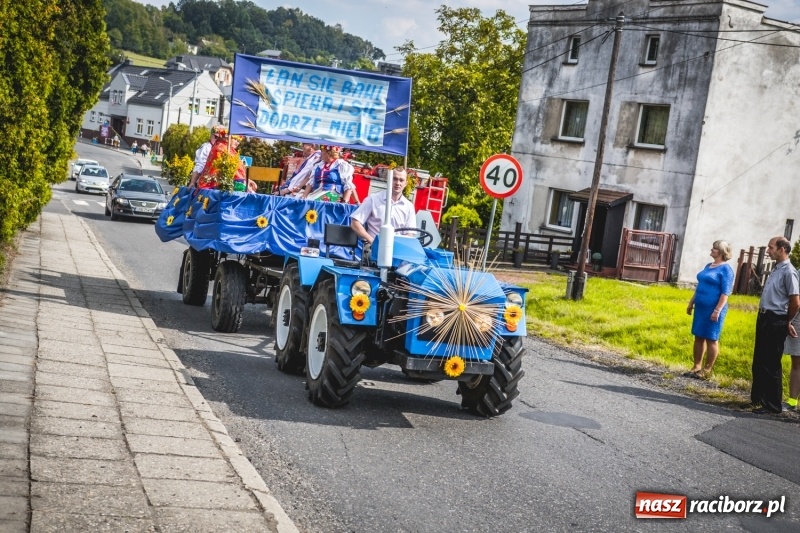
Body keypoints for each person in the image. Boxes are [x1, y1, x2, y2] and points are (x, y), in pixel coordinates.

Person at [751, 236, 800, 414]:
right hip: (764, 316)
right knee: (760, 360)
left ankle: (772, 405)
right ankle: (758, 398)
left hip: (776, 318)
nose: (768, 251)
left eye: (771, 247)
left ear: (782, 249)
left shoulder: (789, 272)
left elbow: (795, 302)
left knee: (771, 362)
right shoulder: (776, 268)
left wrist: (787, 321)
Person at [684, 240, 735, 380]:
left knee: (712, 338)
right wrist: (691, 302)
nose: (712, 249)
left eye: (715, 248)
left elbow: (725, 293)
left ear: (722, 252)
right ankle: (696, 366)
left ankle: (707, 370)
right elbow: (700, 286)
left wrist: (717, 310)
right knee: (698, 336)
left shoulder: (726, 270)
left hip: (714, 309)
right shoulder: (708, 266)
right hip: (701, 308)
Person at [350, 167, 416, 245]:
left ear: (406, 183)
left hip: (396, 249)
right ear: (389, 180)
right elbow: (355, 223)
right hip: (373, 248)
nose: (398, 183)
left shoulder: (409, 207)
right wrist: (372, 241)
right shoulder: (373, 199)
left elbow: (409, 234)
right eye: (395, 179)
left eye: (401, 180)